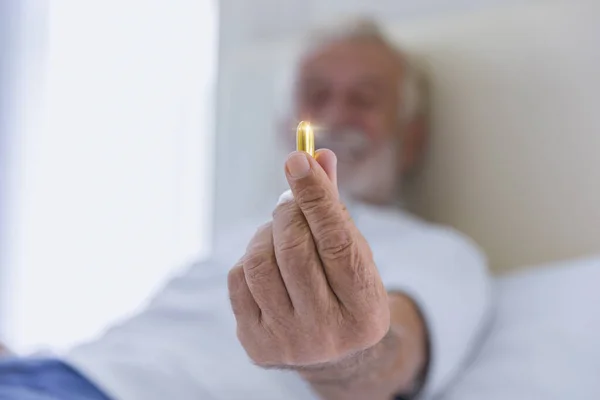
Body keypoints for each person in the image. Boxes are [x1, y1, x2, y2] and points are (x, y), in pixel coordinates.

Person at [0, 17, 491, 400]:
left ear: (410, 139)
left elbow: (386, 366)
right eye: (317, 95)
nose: (336, 116)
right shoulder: (234, 233)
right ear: (286, 125)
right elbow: (131, 354)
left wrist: (337, 353)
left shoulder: (441, 254)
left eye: (363, 99)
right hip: (45, 372)